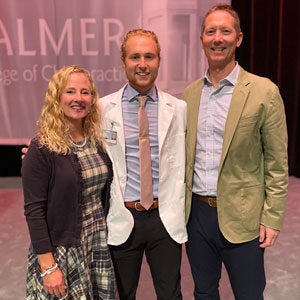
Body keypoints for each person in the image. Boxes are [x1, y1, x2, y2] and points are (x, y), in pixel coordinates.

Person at [182, 4, 288, 300]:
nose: (218, 38)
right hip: (197, 215)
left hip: (244, 214)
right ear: (202, 38)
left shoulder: (264, 91)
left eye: (225, 31)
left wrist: (273, 217)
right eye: (211, 31)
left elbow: (277, 164)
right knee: (203, 291)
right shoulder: (189, 95)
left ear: (238, 39)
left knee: (249, 294)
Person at [99, 29, 187, 299]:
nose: (142, 64)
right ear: (123, 62)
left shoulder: (178, 108)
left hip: (165, 217)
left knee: (170, 294)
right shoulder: (102, 109)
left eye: (149, 56)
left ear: (159, 60)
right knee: (123, 294)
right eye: (135, 56)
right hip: (123, 216)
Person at [21, 65, 116, 299]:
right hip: (62, 251)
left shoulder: (95, 141)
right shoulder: (42, 147)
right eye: (70, 91)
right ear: (57, 97)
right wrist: (49, 267)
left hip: (97, 244)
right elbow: (34, 211)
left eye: (85, 92)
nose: (78, 98)